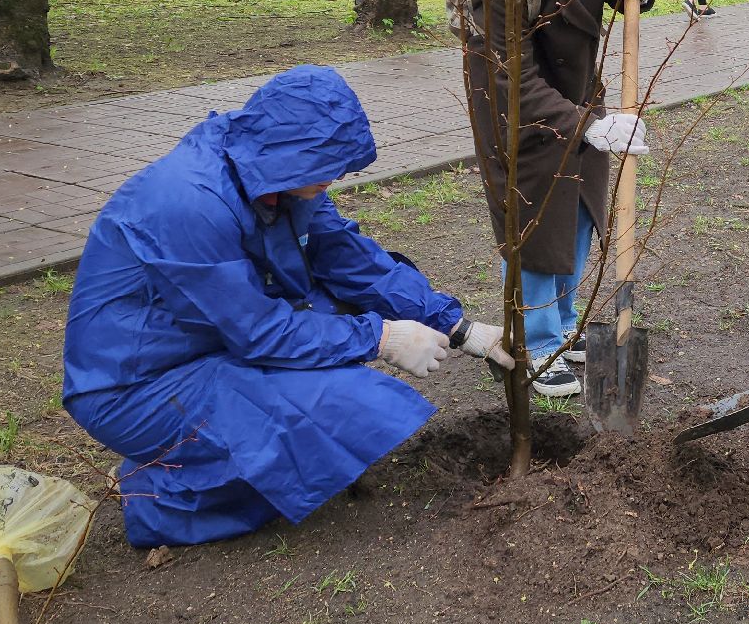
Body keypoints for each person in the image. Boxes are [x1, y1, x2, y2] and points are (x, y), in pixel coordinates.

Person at [62, 66, 513, 549]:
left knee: (338, 381)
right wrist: (381, 337)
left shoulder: (279, 176)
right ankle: (156, 493)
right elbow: (256, 331)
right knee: (341, 410)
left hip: (205, 343)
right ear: (290, 151)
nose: (337, 177)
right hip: (135, 385)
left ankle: (213, 453)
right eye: (327, 165)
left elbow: (349, 259)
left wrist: (459, 327)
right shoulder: (189, 205)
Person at [447, 0, 655, 397]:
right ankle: (533, 341)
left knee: (579, 214)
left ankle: (562, 324)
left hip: (579, 90)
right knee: (534, 226)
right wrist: (584, 125)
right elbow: (508, 76)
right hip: (515, 105)